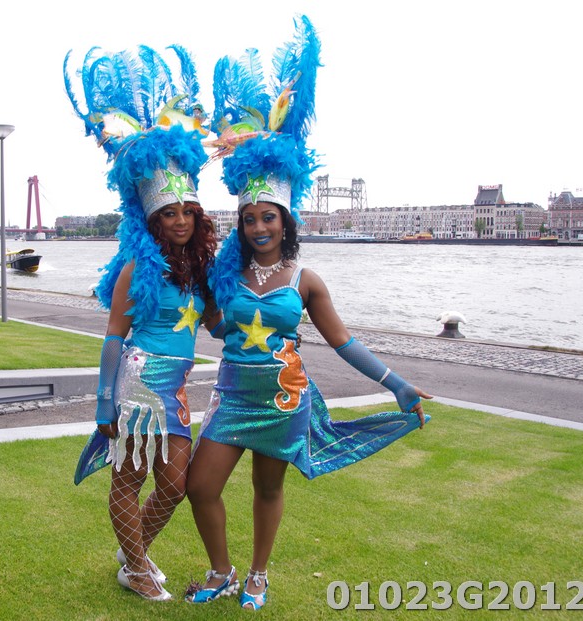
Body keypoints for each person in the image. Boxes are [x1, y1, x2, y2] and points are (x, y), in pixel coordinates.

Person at [185, 18, 432, 610]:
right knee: (200, 485)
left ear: (285, 221)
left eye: (269, 218)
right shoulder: (225, 274)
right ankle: (220, 571)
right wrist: (183, 302)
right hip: (232, 396)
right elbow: (214, 327)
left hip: (282, 399)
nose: (259, 227)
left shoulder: (306, 279)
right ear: (241, 223)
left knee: (267, 488)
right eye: (250, 218)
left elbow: (344, 342)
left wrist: (396, 384)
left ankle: (256, 574)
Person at [66, 44, 218, 601]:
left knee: (175, 485)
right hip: (137, 383)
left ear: (197, 216)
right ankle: (135, 567)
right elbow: (113, 336)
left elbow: (219, 325)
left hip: (176, 388)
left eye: (186, 213)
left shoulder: (202, 271)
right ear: (152, 219)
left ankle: (132, 554)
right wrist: (103, 404)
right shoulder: (136, 268)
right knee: (129, 479)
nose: (179, 221)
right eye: (168, 213)